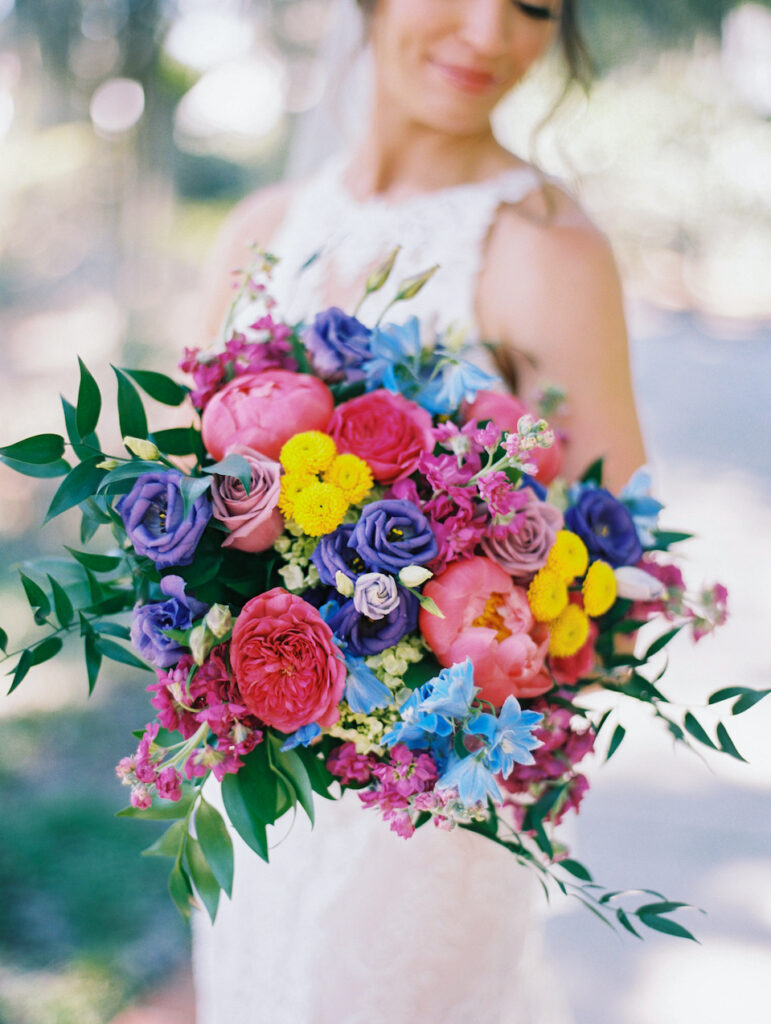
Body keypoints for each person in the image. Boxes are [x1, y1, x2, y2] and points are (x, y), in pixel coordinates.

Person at [193, 1, 647, 1021]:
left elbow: (624, 579)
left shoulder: (547, 250)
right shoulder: (260, 229)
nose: (492, 34)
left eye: (536, 5)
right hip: (259, 797)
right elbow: (190, 506)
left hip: (431, 815)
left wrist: (418, 664)